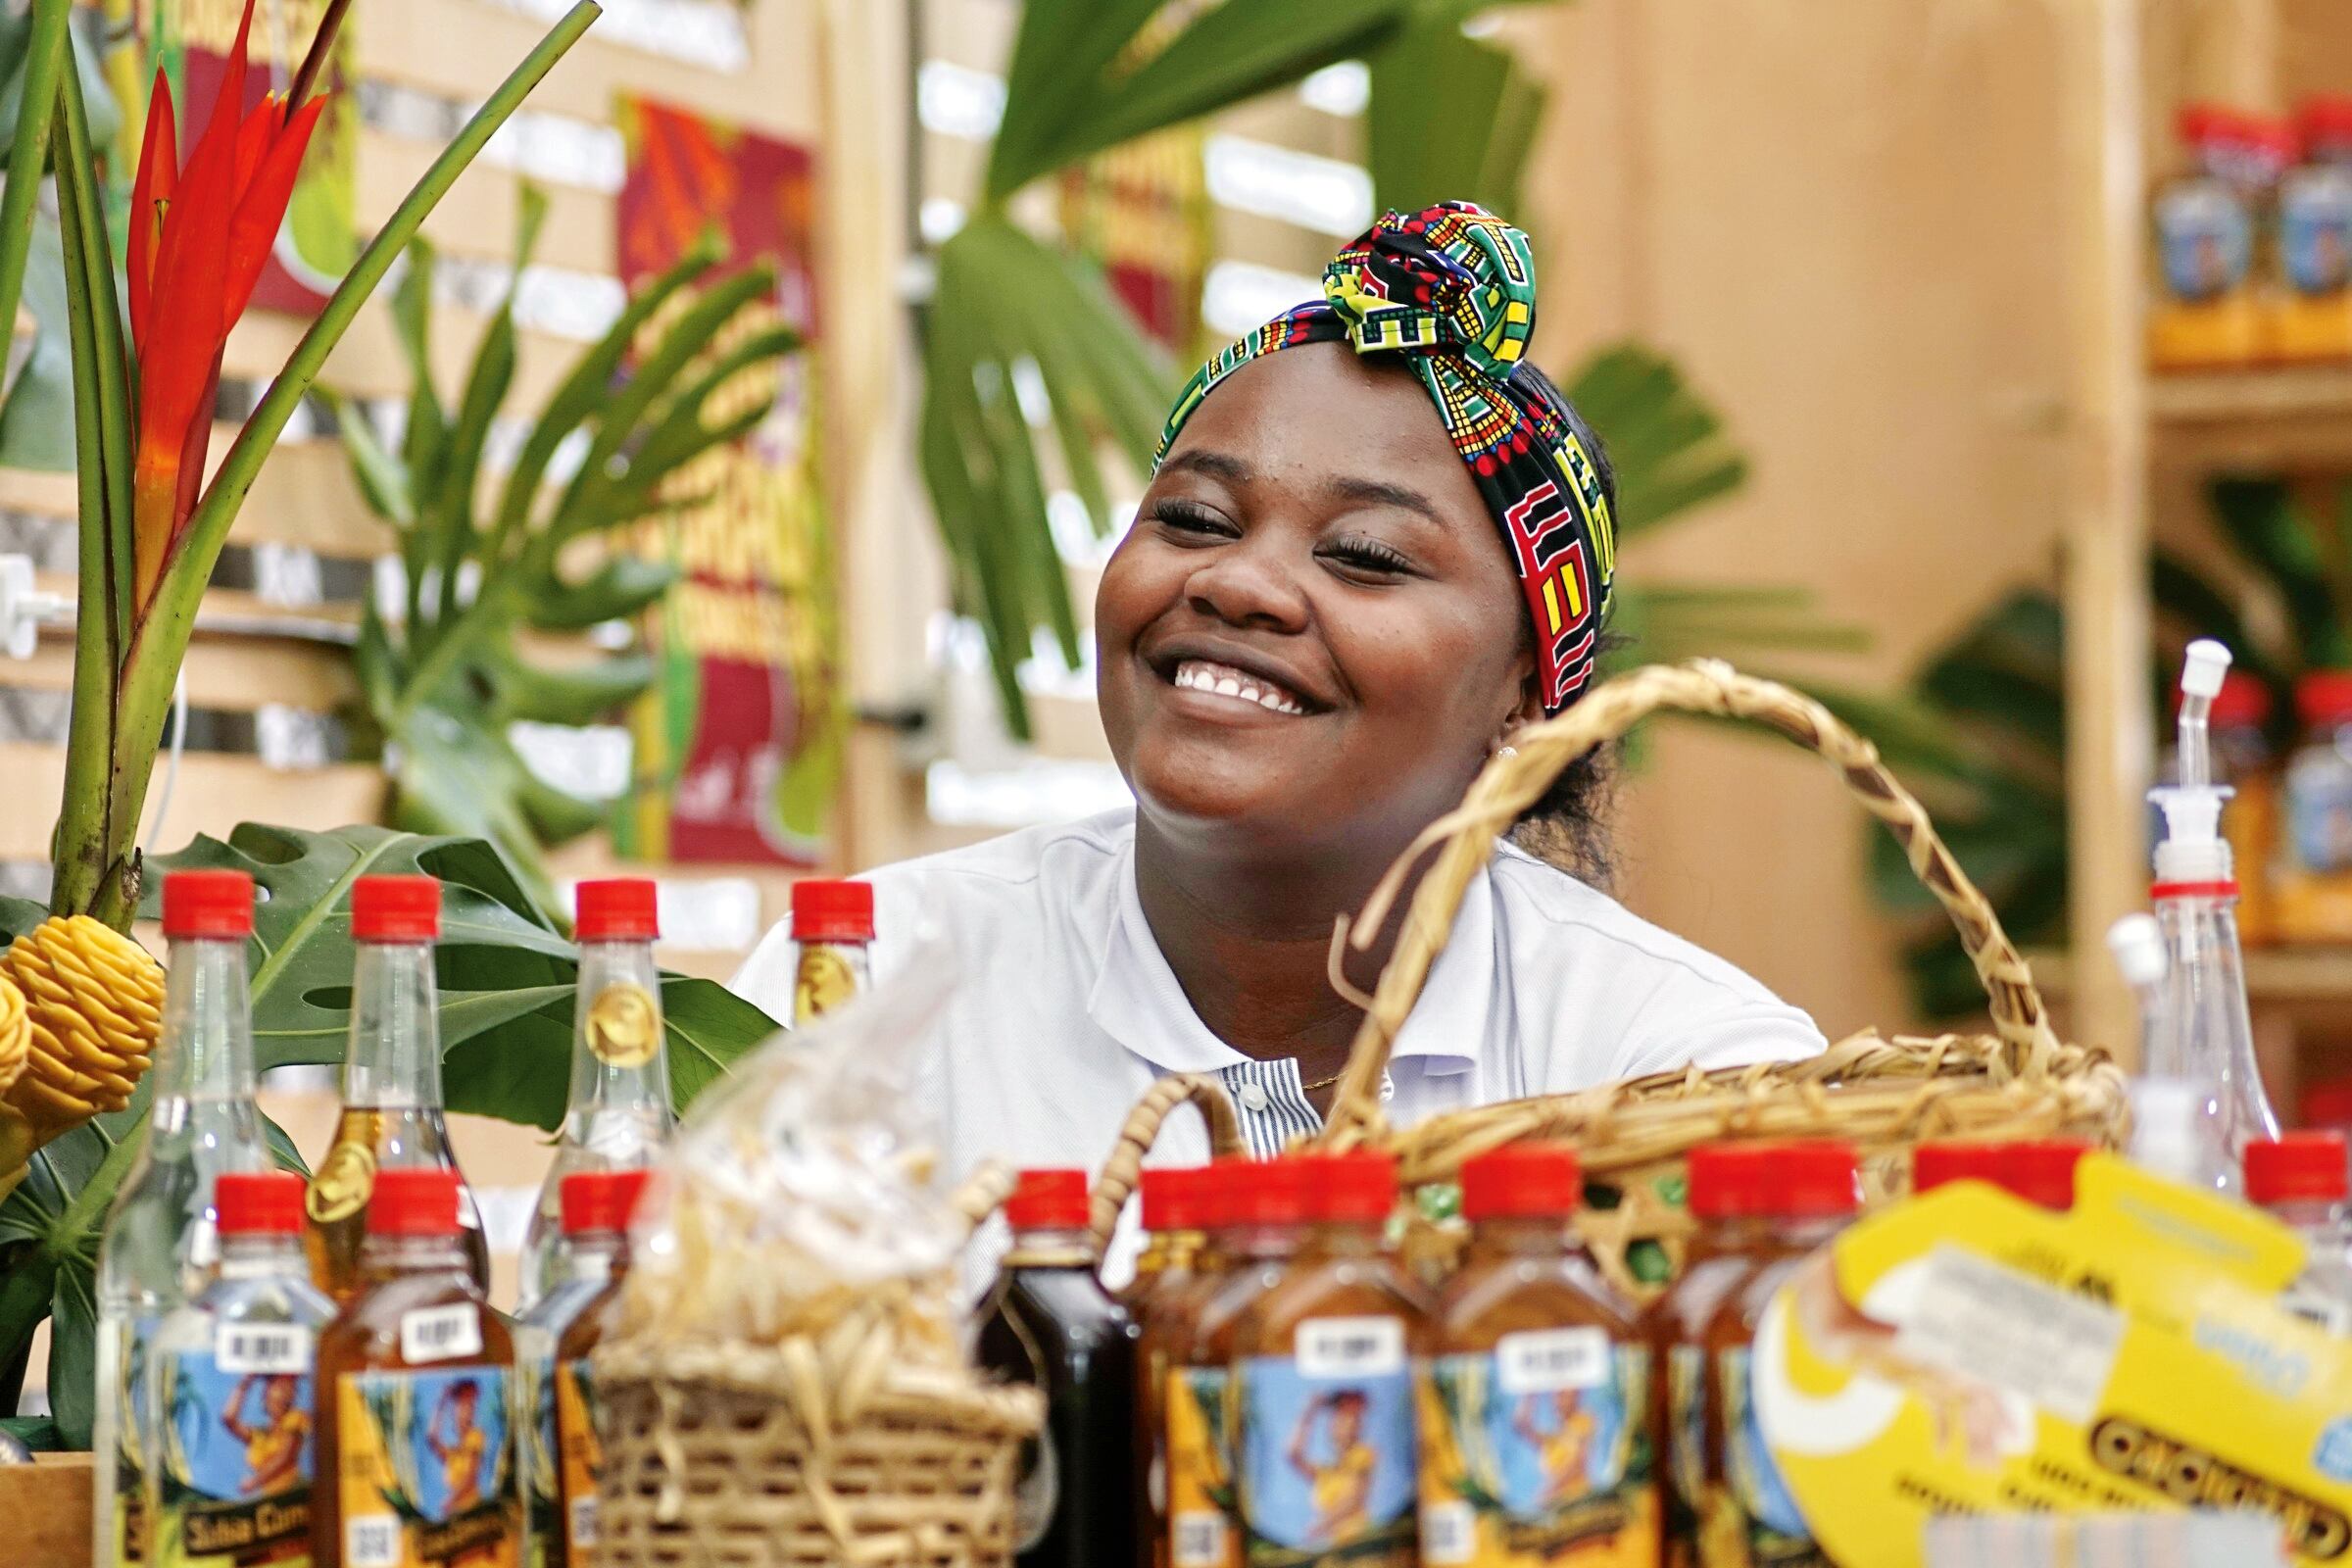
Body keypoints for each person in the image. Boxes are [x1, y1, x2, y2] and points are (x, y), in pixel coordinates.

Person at [732, 201, 1822, 1193]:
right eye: (1196, 519)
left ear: (1528, 694)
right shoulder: (861, 987)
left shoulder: (1684, 1077)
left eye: (1364, 555)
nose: (1239, 581)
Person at [221, 1373, 308, 1495]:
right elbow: (228, 1419)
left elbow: (286, 1457)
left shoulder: (296, 1419)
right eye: (281, 1388)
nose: (286, 1395)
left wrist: (254, 1482)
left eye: (291, 1390)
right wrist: (246, 1382)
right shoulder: (259, 1435)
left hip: (293, 1492)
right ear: (266, 1394)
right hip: (271, 1499)